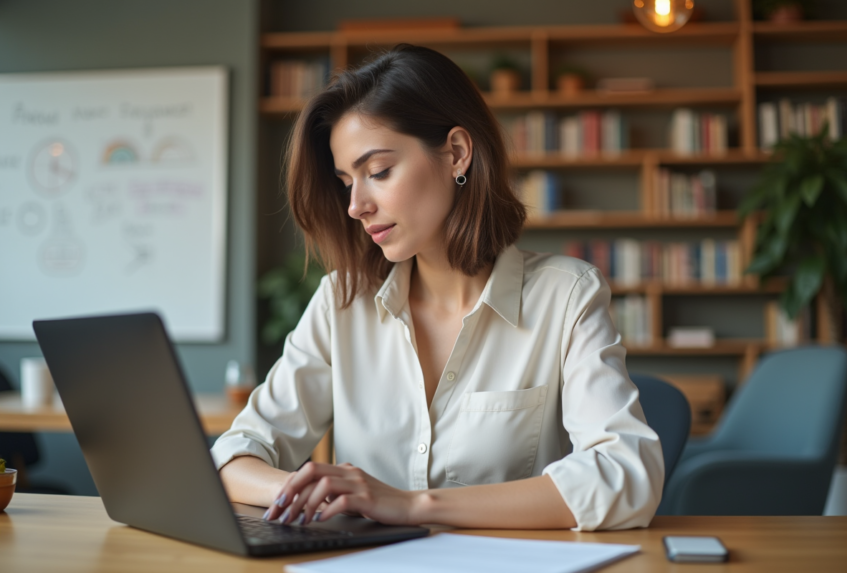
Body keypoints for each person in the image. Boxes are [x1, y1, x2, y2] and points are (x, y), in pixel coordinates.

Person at [211, 44, 664, 531]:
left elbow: (626, 476)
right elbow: (234, 457)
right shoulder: (341, 303)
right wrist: (322, 495)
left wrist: (412, 506)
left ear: (456, 153)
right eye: (347, 181)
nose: (355, 205)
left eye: (378, 172)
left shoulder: (567, 296)